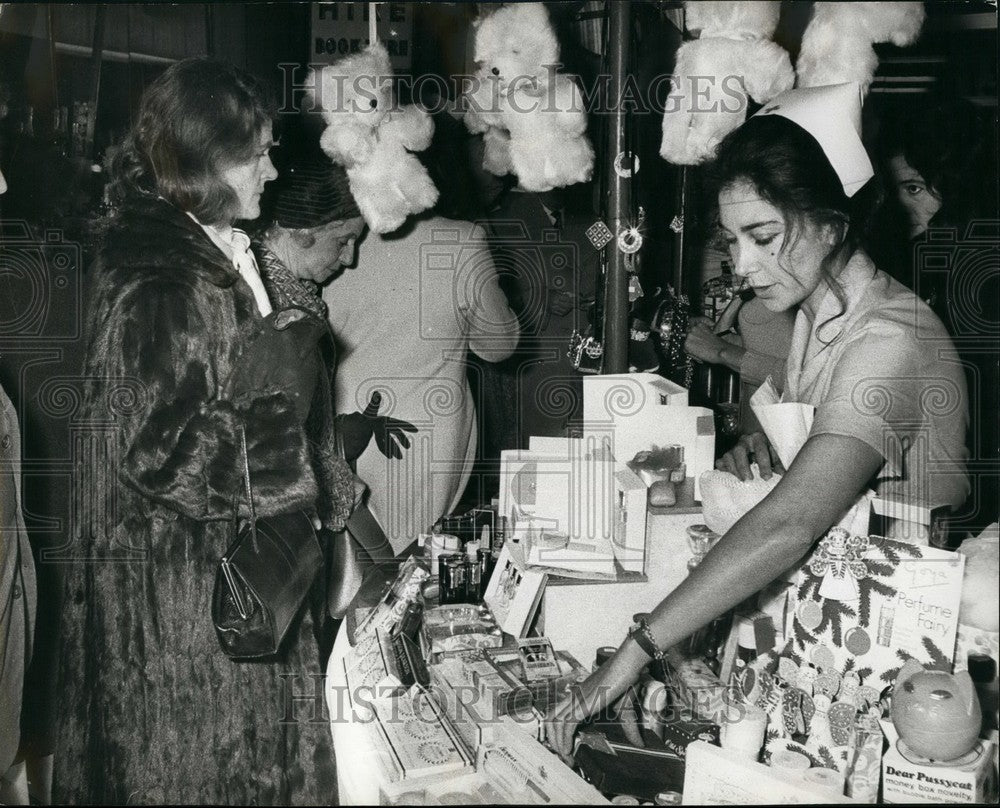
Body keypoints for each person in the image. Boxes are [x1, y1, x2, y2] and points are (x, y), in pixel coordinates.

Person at [544, 83, 970, 756]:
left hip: (909, 667)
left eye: (763, 236)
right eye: (731, 240)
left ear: (832, 221)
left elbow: (792, 522)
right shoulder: (813, 318)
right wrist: (762, 451)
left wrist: (632, 656)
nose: (741, 267)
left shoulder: (889, 337)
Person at [55, 59, 336, 803]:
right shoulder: (163, 282)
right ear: (203, 161)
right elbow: (157, 448)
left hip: (209, 592)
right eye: (257, 154)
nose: (273, 170)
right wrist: (285, 428)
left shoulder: (203, 253)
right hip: (180, 624)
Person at [323, 212, 520, 556]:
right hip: (420, 437)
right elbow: (498, 346)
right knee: (411, 565)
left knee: (347, 564)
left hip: (337, 430)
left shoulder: (334, 230)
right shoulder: (461, 238)